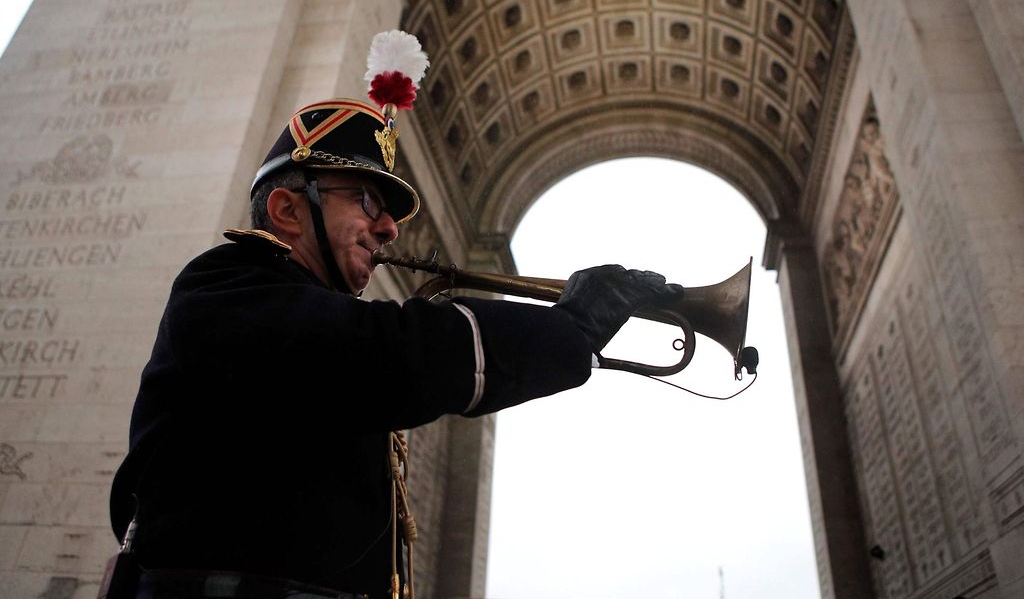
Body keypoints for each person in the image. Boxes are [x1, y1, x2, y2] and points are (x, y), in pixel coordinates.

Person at [109, 71, 678, 599]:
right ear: (286, 208)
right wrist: (565, 328)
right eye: (366, 201)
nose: (388, 227)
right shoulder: (222, 285)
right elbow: (384, 354)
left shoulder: (309, 316)